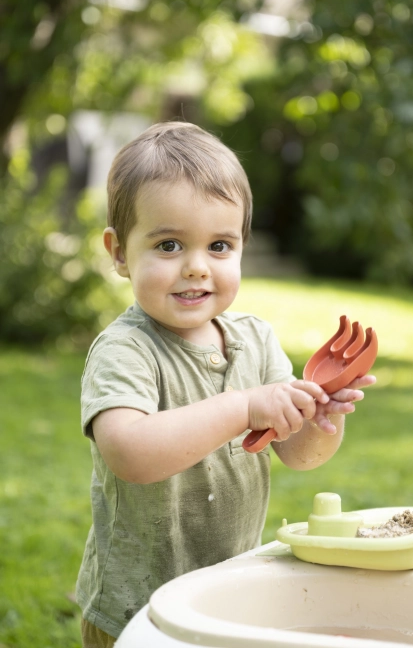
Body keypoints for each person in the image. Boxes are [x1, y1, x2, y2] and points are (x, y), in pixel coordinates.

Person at [76, 121, 375, 647]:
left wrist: (321, 418)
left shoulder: (255, 340)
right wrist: (242, 407)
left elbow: (299, 454)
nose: (196, 268)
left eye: (219, 245)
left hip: (229, 594)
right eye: (168, 245)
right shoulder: (126, 350)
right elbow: (131, 454)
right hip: (137, 608)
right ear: (120, 252)